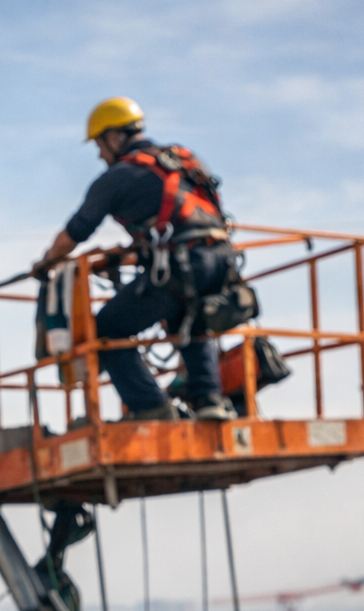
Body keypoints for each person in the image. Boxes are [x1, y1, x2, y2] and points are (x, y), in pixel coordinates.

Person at [34, 96, 239, 421]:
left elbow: (74, 233)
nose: (100, 155)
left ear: (115, 137)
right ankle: (209, 401)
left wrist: (45, 263)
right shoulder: (182, 159)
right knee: (191, 317)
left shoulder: (118, 177)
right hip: (222, 261)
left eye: (99, 145)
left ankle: (152, 408)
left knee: (106, 330)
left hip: (181, 264)